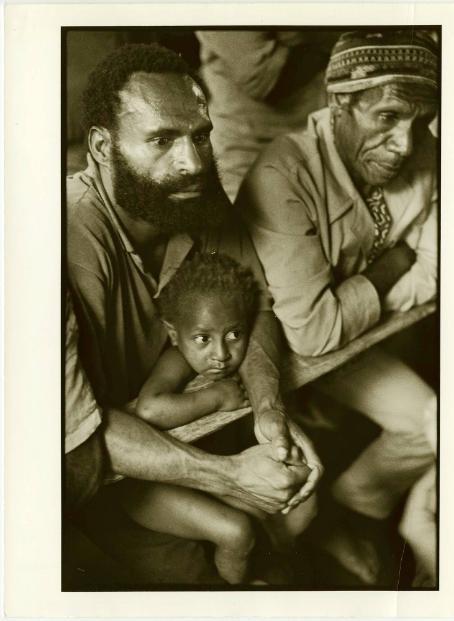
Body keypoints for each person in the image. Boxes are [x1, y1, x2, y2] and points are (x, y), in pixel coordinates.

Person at [66, 43, 322, 585]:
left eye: (200, 135)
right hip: (95, 486)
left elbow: (256, 311)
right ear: (102, 146)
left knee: (296, 529)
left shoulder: (194, 199)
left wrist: (270, 409)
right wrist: (229, 476)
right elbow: (73, 433)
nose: (192, 162)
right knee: (199, 581)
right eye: (161, 140)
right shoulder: (62, 235)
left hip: (195, 444)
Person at [236, 29, 438, 584]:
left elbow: (439, 270)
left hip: (355, 342)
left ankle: (360, 502)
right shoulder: (282, 174)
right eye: (388, 118)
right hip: (280, 354)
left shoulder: (424, 152)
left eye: (420, 123)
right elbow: (311, 333)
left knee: (437, 423)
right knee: (289, 510)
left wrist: (358, 298)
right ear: (339, 104)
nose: (405, 144)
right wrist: (395, 264)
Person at [118, 252, 315, 584]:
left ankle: (269, 576)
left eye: (234, 335)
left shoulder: (220, 353)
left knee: (287, 510)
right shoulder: (177, 359)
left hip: (199, 472)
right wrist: (215, 397)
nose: (221, 355)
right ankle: (234, 596)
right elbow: (150, 409)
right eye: (203, 339)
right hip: (140, 486)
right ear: (173, 333)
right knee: (236, 531)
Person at [195, 30, 339, 200]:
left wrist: (314, 36)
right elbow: (261, 81)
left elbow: (356, 35)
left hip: (317, 137)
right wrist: (321, 38)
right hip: (247, 146)